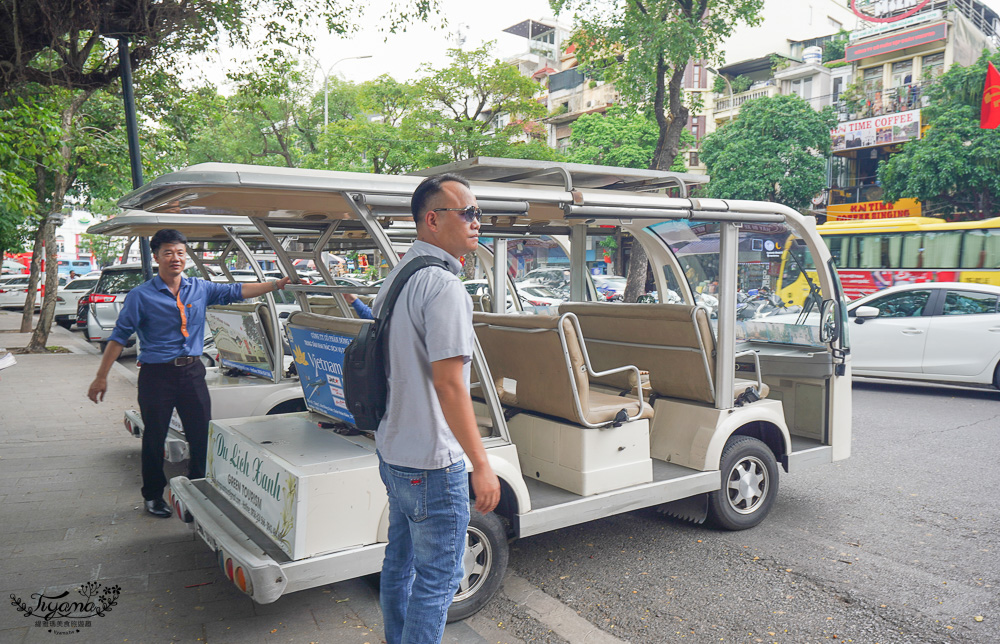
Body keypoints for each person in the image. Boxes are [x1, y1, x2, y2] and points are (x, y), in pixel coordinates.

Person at [373, 174, 500, 644]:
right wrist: (482, 464)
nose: (477, 222)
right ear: (432, 219)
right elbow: (449, 385)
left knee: (400, 563)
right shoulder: (445, 287)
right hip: (430, 461)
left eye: (478, 213)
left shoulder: (400, 273)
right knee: (439, 579)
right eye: (467, 213)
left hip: (393, 449)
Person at [86, 229, 293, 518]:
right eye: (168, 252)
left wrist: (274, 284)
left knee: (201, 435)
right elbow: (119, 337)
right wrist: (101, 376)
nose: (175, 258)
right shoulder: (140, 296)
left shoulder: (200, 288)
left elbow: (237, 291)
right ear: (156, 256)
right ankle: (153, 496)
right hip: (156, 376)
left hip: (192, 372)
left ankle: (198, 490)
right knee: (154, 438)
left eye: (180, 253)